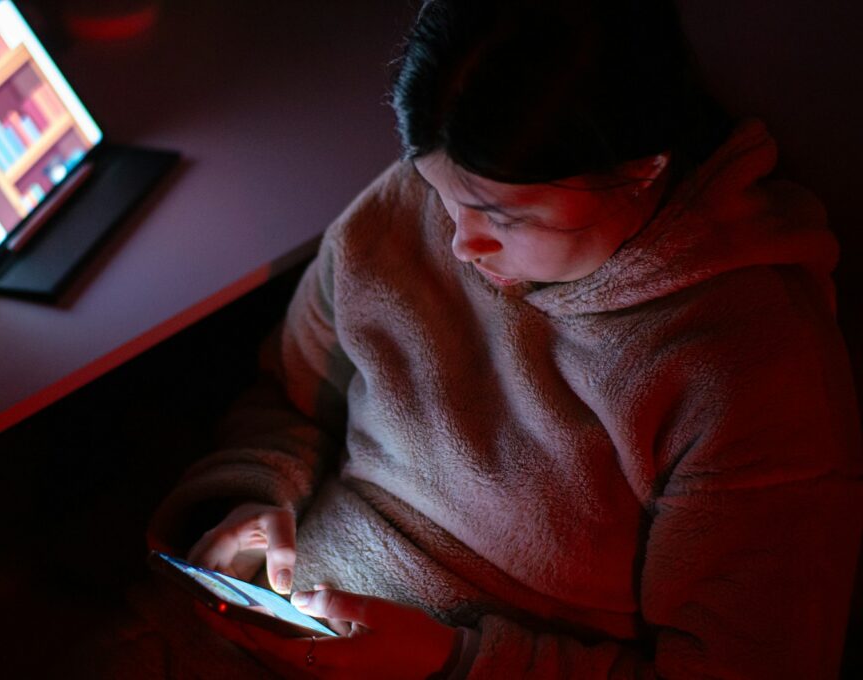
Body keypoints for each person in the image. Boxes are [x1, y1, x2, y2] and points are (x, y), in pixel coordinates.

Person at [147, 0, 862, 677]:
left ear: (642, 172)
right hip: (257, 616)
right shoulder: (408, 207)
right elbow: (289, 398)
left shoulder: (753, 371)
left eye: (503, 216)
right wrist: (257, 492)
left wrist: (451, 663)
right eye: (440, 194)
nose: (460, 243)